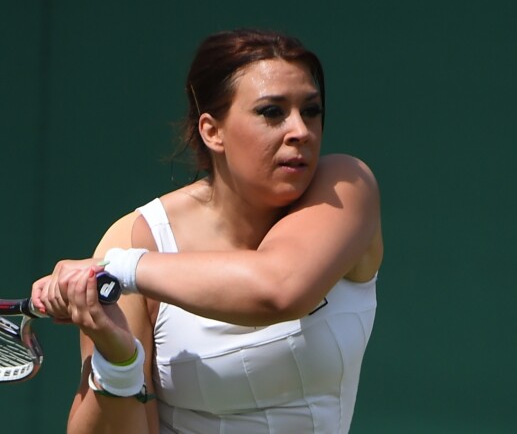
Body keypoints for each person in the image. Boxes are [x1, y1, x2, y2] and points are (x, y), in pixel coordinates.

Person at [32, 28, 383, 434]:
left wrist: (122, 270)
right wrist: (118, 362)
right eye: (272, 112)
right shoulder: (136, 236)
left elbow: (277, 289)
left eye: (311, 110)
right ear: (212, 131)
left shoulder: (346, 188)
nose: (300, 130)